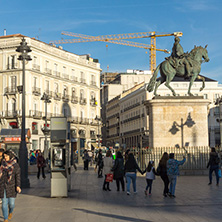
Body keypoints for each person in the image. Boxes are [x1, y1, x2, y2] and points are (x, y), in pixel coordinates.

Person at [0, 150, 21, 222]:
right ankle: (5, 218)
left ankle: (10, 211)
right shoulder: (2, 164)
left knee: (11, 204)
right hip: (3, 185)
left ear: (10, 156)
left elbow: (17, 176)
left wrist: (18, 186)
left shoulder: (15, 165)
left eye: (6, 156)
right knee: (4, 203)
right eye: (4, 156)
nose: (5, 157)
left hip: (12, 186)